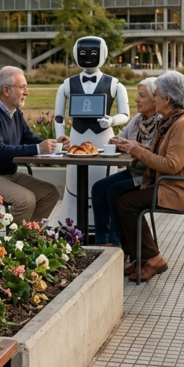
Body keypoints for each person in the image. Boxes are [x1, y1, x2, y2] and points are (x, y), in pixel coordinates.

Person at [108, 71, 184, 282]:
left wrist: (136, 150)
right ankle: (138, 258)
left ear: (167, 99)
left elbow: (171, 165)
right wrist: (134, 146)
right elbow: (163, 158)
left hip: (183, 189)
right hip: (171, 184)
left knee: (127, 203)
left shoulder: (183, 124)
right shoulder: (173, 120)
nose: (154, 99)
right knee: (118, 197)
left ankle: (153, 258)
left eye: (157, 95)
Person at [0, 66, 65, 225]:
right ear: (6, 90)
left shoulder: (15, 113)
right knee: (26, 199)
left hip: (7, 174)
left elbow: (28, 138)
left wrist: (54, 145)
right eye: (22, 87)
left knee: (49, 193)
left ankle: (28, 236)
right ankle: (8, 243)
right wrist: (38, 149)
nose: (27, 92)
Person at [53, 36, 130, 228]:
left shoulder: (115, 84)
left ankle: (104, 227)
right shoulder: (67, 85)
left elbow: (125, 114)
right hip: (75, 140)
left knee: (103, 181)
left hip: (104, 140)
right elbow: (58, 117)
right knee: (74, 183)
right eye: (83, 53)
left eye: (93, 53)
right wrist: (60, 138)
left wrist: (111, 120)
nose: (88, 57)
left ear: (102, 54)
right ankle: (71, 226)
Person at [91, 77, 160, 247]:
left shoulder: (161, 122)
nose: (136, 99)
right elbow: (120, 139)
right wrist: (115, 142)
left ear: (155, 99)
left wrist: (135, 147)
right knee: (99, 187)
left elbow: (158, 153)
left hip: (149, 176)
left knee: (115, 190)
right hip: (135, 171)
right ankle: (101, 241)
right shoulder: (138, 119)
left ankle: (117, 242)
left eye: (142, 96)